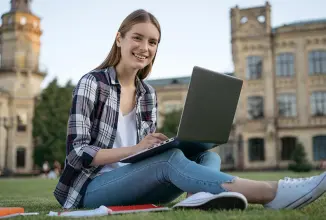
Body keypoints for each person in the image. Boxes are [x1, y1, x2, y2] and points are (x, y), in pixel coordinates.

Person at [54, 9, 326, 210]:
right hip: (93, 189)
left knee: (206, 155)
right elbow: (78, 154)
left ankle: (197, 200)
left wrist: (155, 146)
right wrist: (137, 149)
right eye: (137, 38)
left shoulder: (147, 94)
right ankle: (271, 192)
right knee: (169, 159)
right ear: (119, 39)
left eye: (152, 42)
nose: (144, 48)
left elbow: (142, 157)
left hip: (137, 182)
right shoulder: (93, 83)